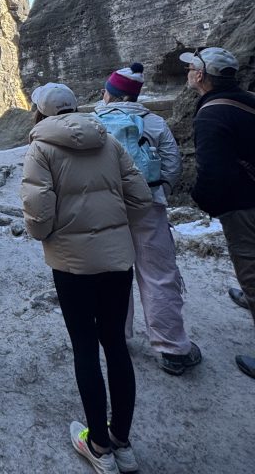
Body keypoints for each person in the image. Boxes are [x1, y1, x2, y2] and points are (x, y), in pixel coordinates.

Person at [22, 83, 152, 474]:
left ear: (40, 113)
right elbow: (140, 198)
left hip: (72, 265)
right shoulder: (108, 141)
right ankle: (122, 444)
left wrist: (48, 236)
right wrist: (114, 229)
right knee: (114, 343)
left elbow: (38, 213)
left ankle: (98, 444)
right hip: (117, 262)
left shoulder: (40, 148)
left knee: (84, 347)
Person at [94, 63, 201, 375]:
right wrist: (158, 190)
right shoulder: (154, 123)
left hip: (106, 209)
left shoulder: (93, 122)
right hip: (148, 207)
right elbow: (172, 166)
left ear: (110, 93)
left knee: (112, 274)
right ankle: (173, 349)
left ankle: (115, 336)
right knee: (159, 275)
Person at [180, 46, 255, 378]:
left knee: (250, 264)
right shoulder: (249, 100)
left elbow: (213, 171)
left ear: (200, 76)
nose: (187, 73)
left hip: (243, 202)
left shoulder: (211, 113)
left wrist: (204, 200)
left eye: (191, 69)